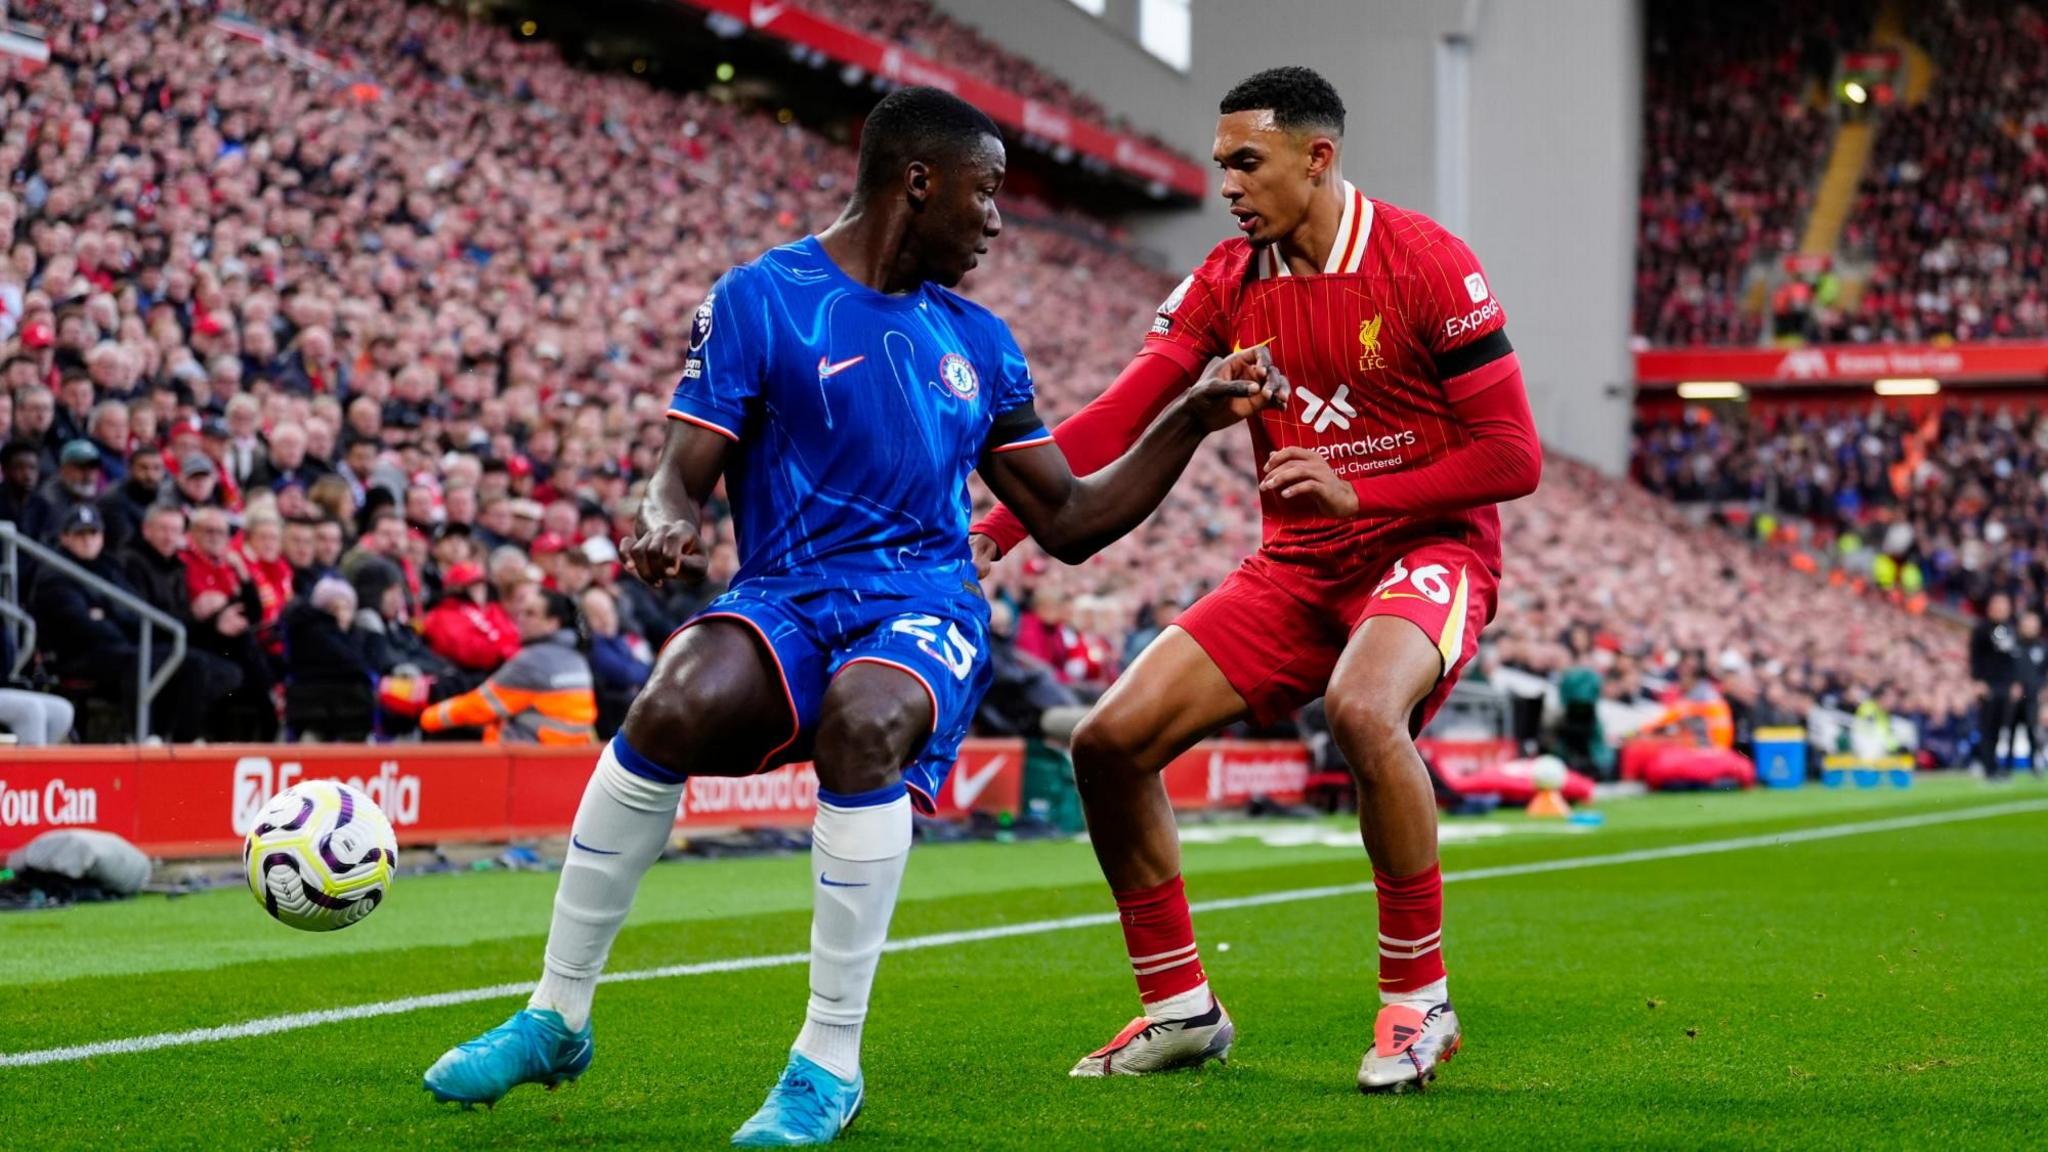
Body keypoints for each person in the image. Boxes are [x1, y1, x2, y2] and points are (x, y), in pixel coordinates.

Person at [420, 86, 1283, 1145]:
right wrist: (661, 517)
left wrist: (1190, 415)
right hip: (782, 592)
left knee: (864, 722)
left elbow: (1066, 517)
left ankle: (827, 1061)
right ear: (918, 183)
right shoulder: (760, 297)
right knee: (668, 704)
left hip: (923, 600)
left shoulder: (979, 339)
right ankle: (556, 1016)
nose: (998, 220)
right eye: (987, 193)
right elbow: (680, 470)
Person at [971, 67, 1541, 1091]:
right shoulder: (1227, 277)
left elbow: (1512, 457)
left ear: (1316, 158)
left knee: (1362, 710)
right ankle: (1180, 1009)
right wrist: (1003, 522)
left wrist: (1360, 497)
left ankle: (1417, 1005)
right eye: (1220, 162)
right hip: (1292, 569)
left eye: (1246, 161)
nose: (1226, 183)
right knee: (1106, 743)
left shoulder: (1425, 262)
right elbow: (1114, 415)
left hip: (1425, 551)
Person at [419, 589, 597, 745]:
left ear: (553, 623)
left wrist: (428, 717)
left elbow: (480, 706)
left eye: (530, 614)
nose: (521, 620)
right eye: (521, 613)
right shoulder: (576, 657)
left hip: (529, 757)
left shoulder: (533, 660)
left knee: (448, 733)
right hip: (568, 754)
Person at [1969, 593, 2019, 778]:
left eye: (2004, 605)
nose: (2001, 609)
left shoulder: (2011, 629)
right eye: (1997, 604)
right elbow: (1975, 657)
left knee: (2000, 726)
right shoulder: (1981, 629)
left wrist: (2015, 682)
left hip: (2005, 685)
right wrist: (1978, 681)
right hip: (1988, 684)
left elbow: (2013, 660)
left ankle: (1996, 766)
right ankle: (1987, 767)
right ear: (1990, 607)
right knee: (1987, 726)